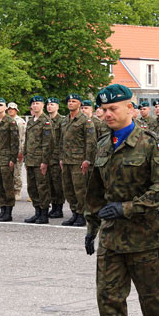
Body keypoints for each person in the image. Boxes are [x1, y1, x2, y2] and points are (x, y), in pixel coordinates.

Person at [85, 84, 159, 316]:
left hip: (144, 236)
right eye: (103, 109)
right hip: (111, 237)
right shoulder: (102, 145)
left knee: (151, 299)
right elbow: (95, 192)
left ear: (131, 108)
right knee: (109, 298)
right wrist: (91, 227)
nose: (107, 113)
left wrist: (126, 208)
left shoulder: (152, 143)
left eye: (113, 108)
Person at [59, 94, 97, 227]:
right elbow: (61, 141)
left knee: (80, 189)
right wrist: (61, 158)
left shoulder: (85, 121)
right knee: (68, 189)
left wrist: (87, 160)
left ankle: (82, 215)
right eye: (69, 101)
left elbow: (91, 142)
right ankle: (74, 213)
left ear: (79, 104)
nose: (70, 103)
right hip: (67, 160)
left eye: (73, 101)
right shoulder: (65, 120)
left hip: (79, 160)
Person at [23, 96, 53, 224]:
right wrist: (25, 157)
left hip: (40, 160)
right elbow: (27, 141)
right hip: (30, 159)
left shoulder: (45, 121)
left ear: (43, 105)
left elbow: (48, 143)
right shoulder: (30, 121)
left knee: (42, 187)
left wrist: (45, 161)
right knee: (32, 187)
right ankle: (37, 211)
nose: (35, 106)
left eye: (38, 103)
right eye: (33, 103)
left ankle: (44, 213)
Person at [0, 98, 19, 222]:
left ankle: (8, 211)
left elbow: (14, 142)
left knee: (7, 185)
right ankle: (2, 209)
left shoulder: (10, 122)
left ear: (6, 107)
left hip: (6, 158)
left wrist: (13, 158)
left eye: (1, 105)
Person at [46, 97, 65, 218]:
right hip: (47, 156)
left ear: (57, 106)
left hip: (57, 156)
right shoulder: (45, 120)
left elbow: (63, 140)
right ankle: (53, 206)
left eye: (52, 104)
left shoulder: (62, 121)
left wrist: (61, 157)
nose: (49, 106)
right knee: (49, 183)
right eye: (48, 104)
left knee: (58, 184)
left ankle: (59, 208)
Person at [7, 102, 26, 201]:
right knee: (8, 172)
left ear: (16, 110)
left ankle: (17, 191)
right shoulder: (6, 120)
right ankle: (10, 191)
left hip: (17, 149)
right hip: (7, 150)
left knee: (17, 172)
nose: (10, 110)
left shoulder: (20, 121)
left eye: (12, 109)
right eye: (9, 109)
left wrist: (21, 151)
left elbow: (22, 137)